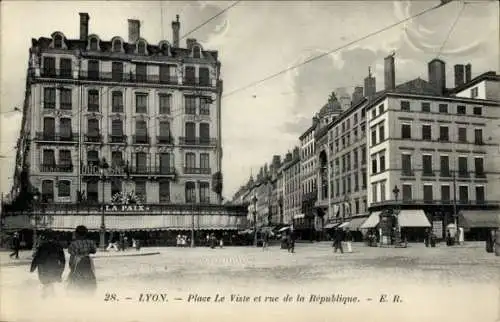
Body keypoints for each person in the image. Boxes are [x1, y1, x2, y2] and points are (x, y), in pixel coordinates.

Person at [30, 231, 66, 298]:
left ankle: (45, 298)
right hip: (54, 268)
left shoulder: (42, 246)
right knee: (50, 283)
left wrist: (32, 267)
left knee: (46, 283)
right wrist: (60, 271)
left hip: (43, 269)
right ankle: (51, 298)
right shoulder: (58, 246)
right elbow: (62, 260)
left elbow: (37, 257)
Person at [67, 225, 97, 295]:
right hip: (88, 261)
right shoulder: (90, 242)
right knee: (90, 277)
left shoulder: (73, 244)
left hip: (77, 261)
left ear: (76, 234)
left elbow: (71, 257)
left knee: (76, 279)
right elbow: (94, 251)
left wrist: (71, 269)